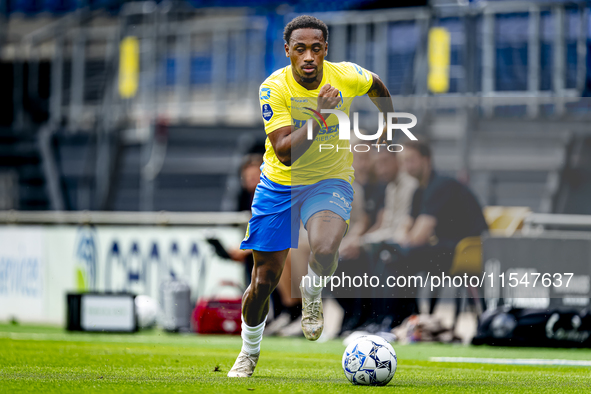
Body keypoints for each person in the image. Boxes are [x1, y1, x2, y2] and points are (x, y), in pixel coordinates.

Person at [228, 15, 394, 377]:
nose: (308, 56)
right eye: (300, 49)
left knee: (323, 247)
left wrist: (387, 125)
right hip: (280, 184)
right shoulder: (274, 88)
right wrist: (320, 115)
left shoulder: (345, 75)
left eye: (315, 49)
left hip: (329, 180)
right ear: (287, 50)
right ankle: (249, 351)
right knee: (264, 281)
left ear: (325, 50)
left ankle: (313, 290)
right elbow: (285, 151)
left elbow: (377, 85)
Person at [379, 140, 488, 326]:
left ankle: (401, 320)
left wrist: (402, 243)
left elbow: (419, 236)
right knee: (389, 254)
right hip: (444, 247)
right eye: (403, 161)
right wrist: (400, 241)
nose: (406, 166)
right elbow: (406, 227)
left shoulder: (441, 185)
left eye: (411, 160)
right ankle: (392, 318)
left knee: (399, 257)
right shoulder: (419, 191)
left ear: (427, 160)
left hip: (464, 250)